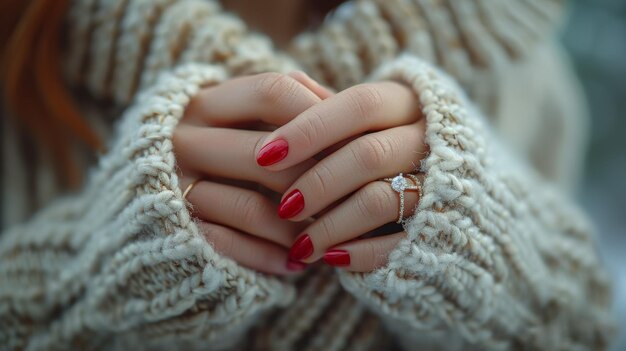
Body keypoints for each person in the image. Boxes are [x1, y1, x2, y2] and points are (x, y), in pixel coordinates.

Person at [0, 0, 615, 350]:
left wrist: (489, 244)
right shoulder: (23, 49)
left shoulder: (518, 74)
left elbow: (583, 331)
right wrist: (91, 267)